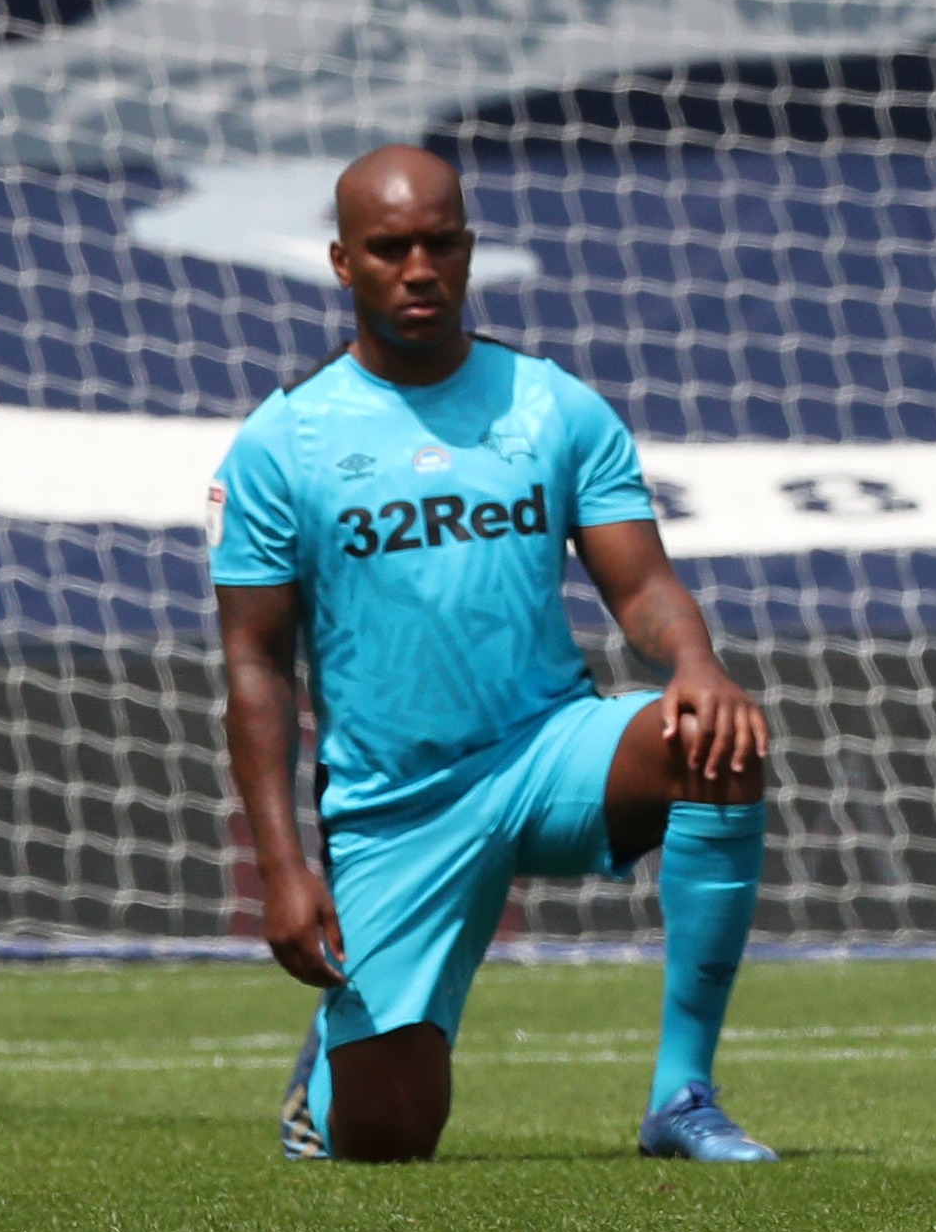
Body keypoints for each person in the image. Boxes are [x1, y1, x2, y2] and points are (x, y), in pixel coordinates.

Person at [210, 145, 781, 1167]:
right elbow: (254, 664)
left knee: (717, 742)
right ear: (344, 264)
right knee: (388, 1140)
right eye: (390, 250)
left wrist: (695, 664)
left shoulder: (552, 407)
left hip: (545, 752)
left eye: (439, 244)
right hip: (395, 808)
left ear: (470, 251)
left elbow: (641, 587)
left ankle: (681, 1096)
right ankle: (331, 1077)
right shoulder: (279, 445)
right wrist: (283, 871)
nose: (418, 270)